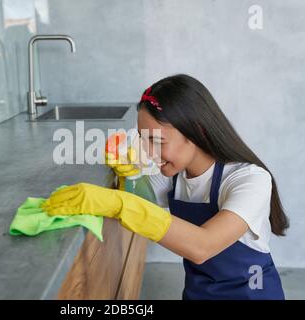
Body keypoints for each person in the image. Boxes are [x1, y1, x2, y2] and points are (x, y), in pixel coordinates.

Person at [42, 74, 289, 300]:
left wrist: (119, 203)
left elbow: (203, 246)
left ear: (197, 132)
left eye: (157, 141)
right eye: (144, 139)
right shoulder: (173, 177)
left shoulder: (249, 179)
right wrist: (127, 176)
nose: (149, 152)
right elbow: (141, 205)